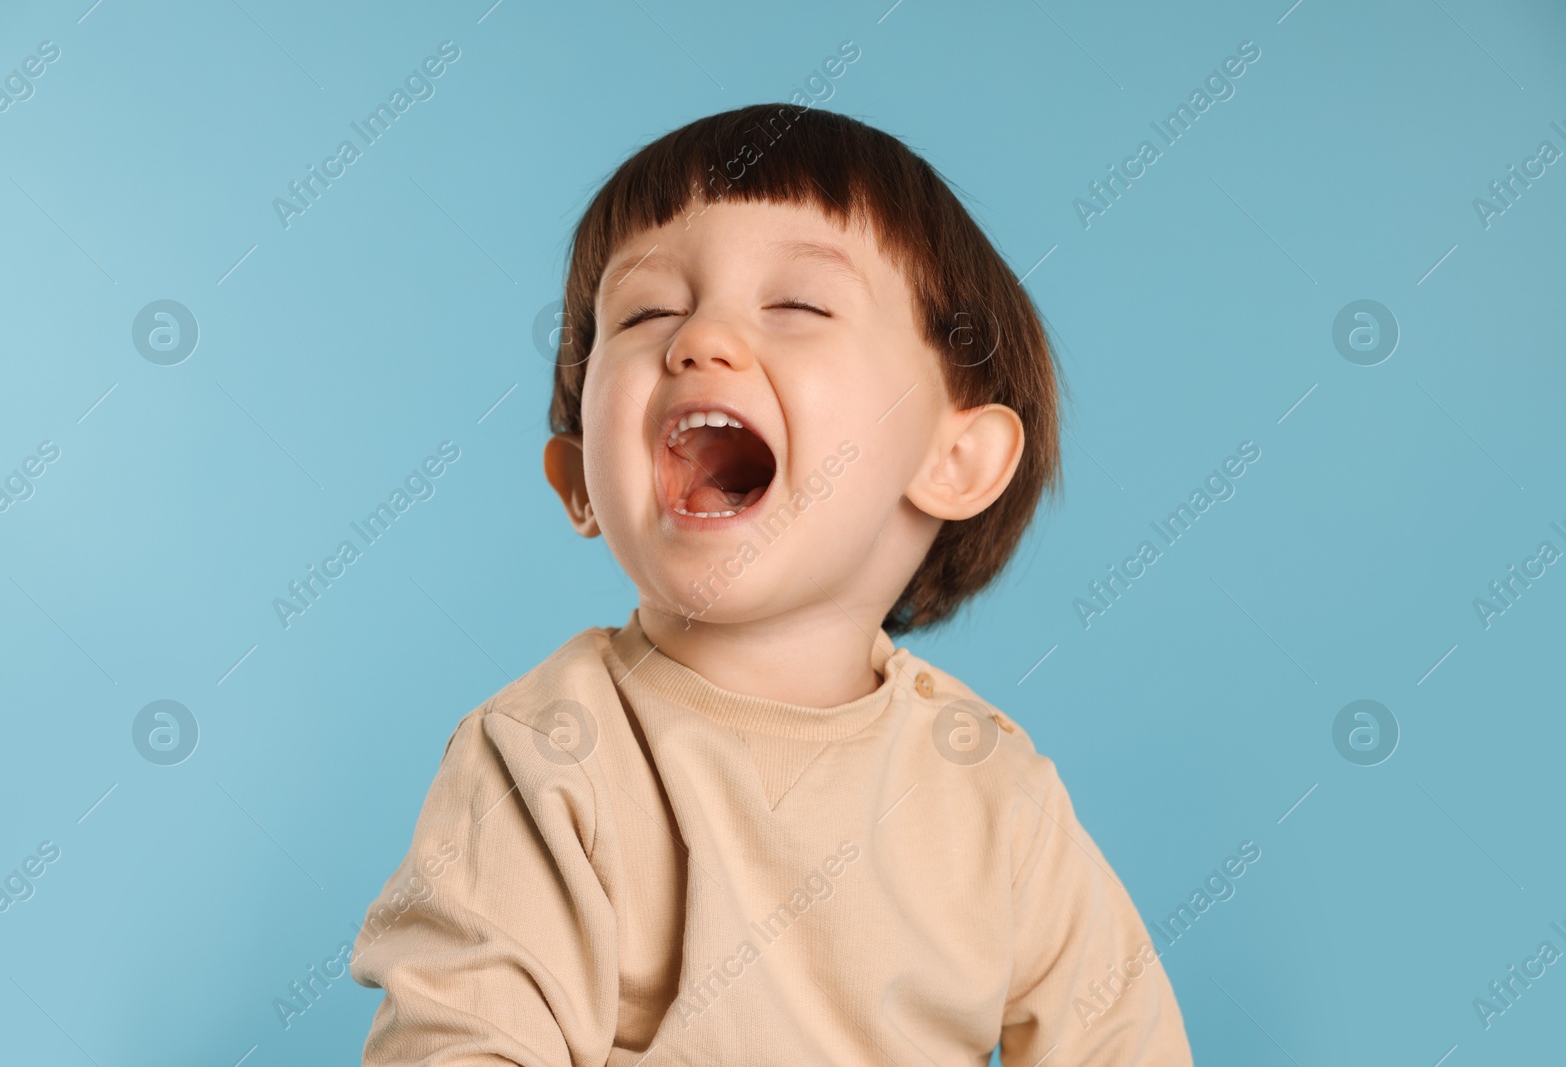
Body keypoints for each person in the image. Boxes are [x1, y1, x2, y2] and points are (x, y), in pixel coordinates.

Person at [350, 101, 1192, 1065]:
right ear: (580, 478)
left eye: (797, 305)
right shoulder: (546, 759)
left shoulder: (993, 791)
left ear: (954, 457)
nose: (699, 340)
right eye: (646, 311)